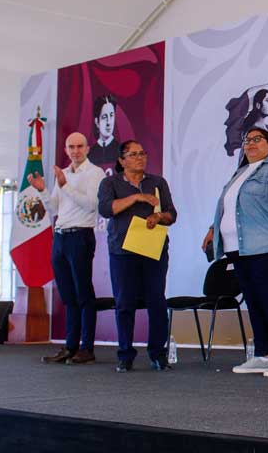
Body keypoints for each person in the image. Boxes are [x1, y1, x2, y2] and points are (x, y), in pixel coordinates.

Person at [202, 126, 268, 378]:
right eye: (247, 140)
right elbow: (229, 208)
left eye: (257, 139)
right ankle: (261, 354)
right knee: (254, 301)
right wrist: (212, 230)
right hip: (240, 250)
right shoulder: (240, 173)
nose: (251, 143)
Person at [97, 140, 177, 372]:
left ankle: (157, 354)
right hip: (122, 251)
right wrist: (136, 198)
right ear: (121, 161)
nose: (140, 158)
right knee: (124, 303)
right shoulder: (109, 182)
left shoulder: (157, 182)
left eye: (142, 153)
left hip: (153, 249)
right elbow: (105, 209)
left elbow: (172, 214)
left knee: (157, 301)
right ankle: (125, 355)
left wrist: (159, 217)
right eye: (133, 154)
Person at [32, 132, 106, 365]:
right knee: (68, 295)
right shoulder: (62, 174)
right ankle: (69, 347)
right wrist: (44, 190)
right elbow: (54, 208)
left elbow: (93, 204)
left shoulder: (95, 173)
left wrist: (66, 187)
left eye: (80, 146)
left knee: (84, 294)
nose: (75, 151)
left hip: (81, 236)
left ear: (87, 148)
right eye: (71, 147)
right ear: (65, 150)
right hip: (61, 237)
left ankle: (87, 348)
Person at [87, 95, 120, 168]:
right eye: (104, 117)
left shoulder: (121, 152)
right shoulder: (89, 155)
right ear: (96, 121)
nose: (109, 122)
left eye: (111, 116)